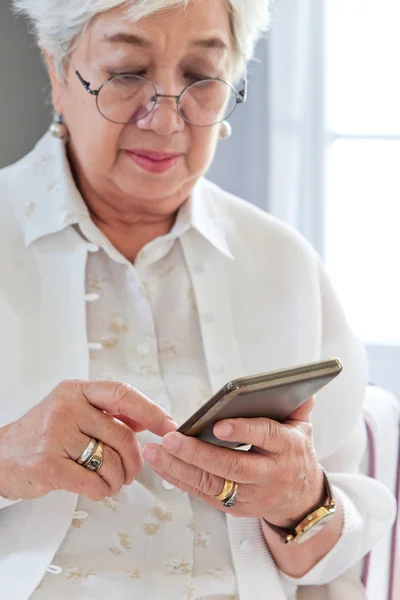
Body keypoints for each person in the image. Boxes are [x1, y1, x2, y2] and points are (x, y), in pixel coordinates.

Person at [0, 1, 396, 599]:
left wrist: (300, 498)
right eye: (128, 71)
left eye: (200, 76)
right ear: (58, 72)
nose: (165, 119)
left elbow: (334, 559)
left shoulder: (282, 262)